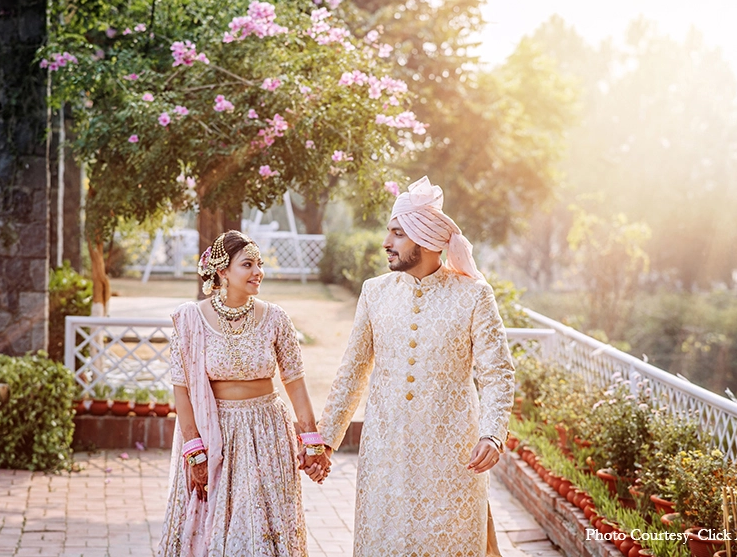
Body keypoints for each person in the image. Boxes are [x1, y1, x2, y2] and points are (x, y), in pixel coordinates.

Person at [317, 176, 516, 557]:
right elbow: (353, 370)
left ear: (424, 238)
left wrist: (492, 434)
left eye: (397, 233)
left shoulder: (473, 295)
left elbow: (497, 373)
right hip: (385, 452)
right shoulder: (375, 292)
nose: (386, 243)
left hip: (453, 456)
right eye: (388, 232)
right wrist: (327, 440)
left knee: (449, 543)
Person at [157, 230, 331, 557]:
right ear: (222, 272)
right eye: (247, 264)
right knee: (217, 530)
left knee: (264, 528)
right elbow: (181, 391)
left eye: (260, 264)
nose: (258, 272)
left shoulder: (276, 318)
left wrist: (312, 441)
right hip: (215, 433)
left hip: (268, 432)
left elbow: (295, 382)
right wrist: (195, 452)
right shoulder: (190, 321)